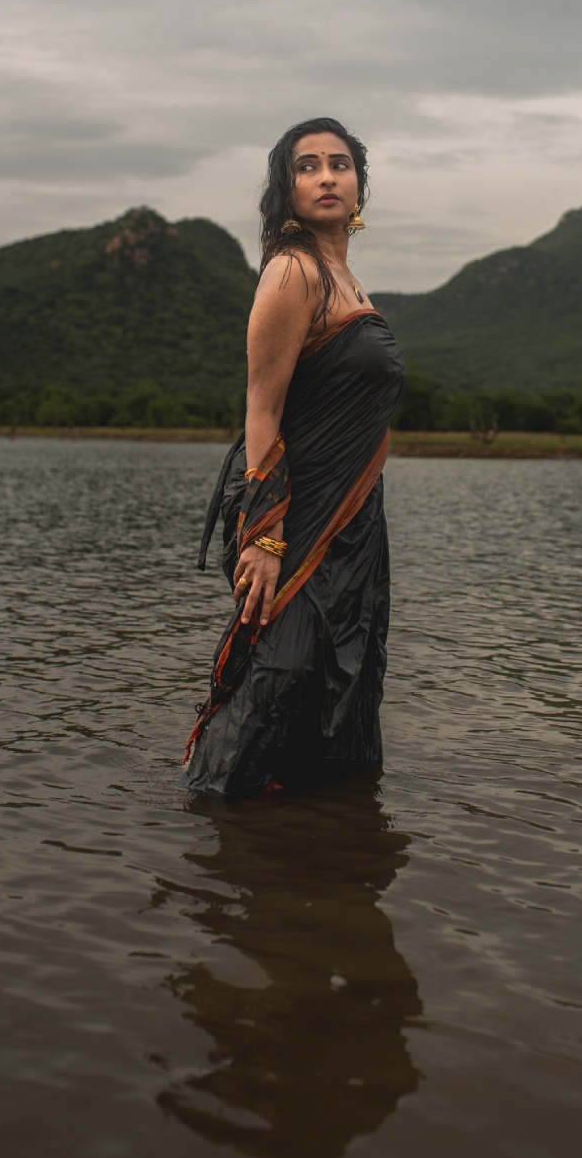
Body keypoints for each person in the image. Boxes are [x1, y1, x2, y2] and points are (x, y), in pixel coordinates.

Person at [183, 118, 405, 797]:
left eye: (340, 163)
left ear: (359, 183)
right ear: (286, 189)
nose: (327, 176)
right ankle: (220, 827)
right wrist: (265, 532)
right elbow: (261, 408)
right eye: (307, 166)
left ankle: (315, 824)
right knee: (279, 677)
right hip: (295, 519)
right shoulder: (293, 271)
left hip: (355, 523)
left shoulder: (347, 278)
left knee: (344, 673)